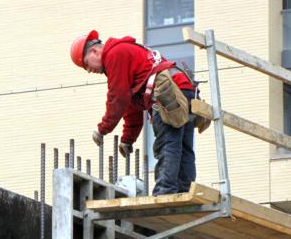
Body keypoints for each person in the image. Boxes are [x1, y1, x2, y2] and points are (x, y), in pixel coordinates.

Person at [70, 30, 210, 196]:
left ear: (94, 51)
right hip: (183, 90)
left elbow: (118, 97)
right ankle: (183, 191)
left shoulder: (114, 54)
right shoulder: (125, 52)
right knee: (183, 147)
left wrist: (103, 129)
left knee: (167, 144)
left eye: (86, 64)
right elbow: (131, 106)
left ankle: (165, 193)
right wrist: (127, 139)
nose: (88, 70)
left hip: (167, 93)